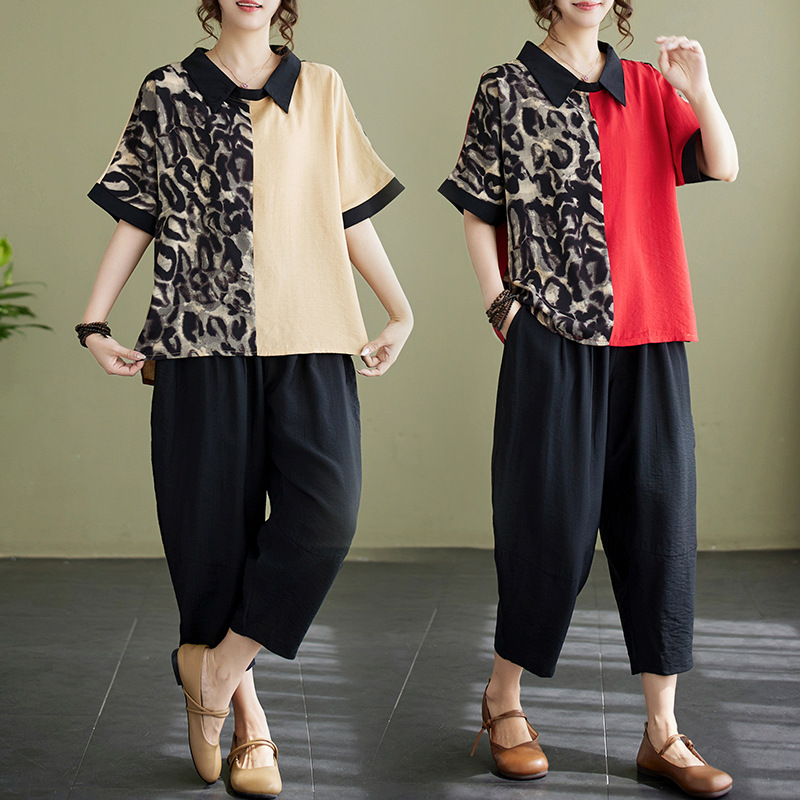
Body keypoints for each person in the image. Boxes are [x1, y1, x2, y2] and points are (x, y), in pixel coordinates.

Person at [78, 1, 412, 796]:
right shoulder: (166, 90)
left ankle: (215, 671)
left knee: (325, 517)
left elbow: (347, 211)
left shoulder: (321, 87)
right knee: (212, 540)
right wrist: (94, 321)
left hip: (314, 335)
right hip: (199, 347)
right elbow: (139, 214)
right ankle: (251, 723)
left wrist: (400, 309)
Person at [439, 1, 737, 797]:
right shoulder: (505, 88)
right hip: (553, 340)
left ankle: (663, 734)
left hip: (652, 336)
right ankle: (504, 701)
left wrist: (700, 89)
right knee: (548, 527)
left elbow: (723, 163)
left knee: (660, 528)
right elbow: (477, 210)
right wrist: (502, 308)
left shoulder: (645, 85)